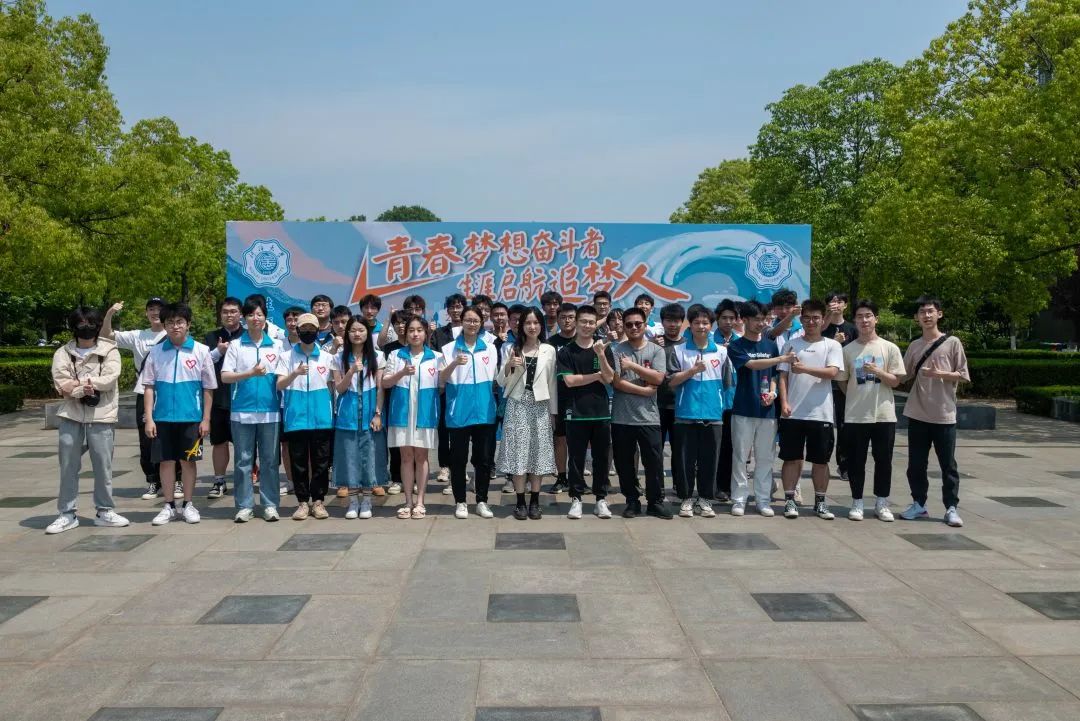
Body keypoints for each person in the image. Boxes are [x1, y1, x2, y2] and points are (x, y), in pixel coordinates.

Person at [46, 306, 128, 534]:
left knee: (103, 466)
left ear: (98, 325)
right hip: (71, 416)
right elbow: (61, 384)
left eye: (91, 323)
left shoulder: (109, 349)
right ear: (73, 327)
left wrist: (77, 384)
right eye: (81, 324)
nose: (86, 328)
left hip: (102, 416)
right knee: (68, 466)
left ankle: (105, 510)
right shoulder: (63, 353)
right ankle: (67, 513)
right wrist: (85, 388)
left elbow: (109, 379)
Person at [142, 302, 217, 525]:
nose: (175, 326)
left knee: (188, 462)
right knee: (165, 462)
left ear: (188, 324)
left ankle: (188, 504)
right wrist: (149, 418)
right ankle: (168, 505)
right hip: (162, 418)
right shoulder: (156, 352)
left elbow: (208, 388)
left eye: (180, 322)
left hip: (190, 418)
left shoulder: (201, 351)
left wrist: (206, 419)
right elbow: (148, 386)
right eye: (170, 322)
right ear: (164, 325)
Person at [900, 295, 970, 527]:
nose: (926, 315)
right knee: (916, 465)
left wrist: (940, 374)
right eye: (922, 312)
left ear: (939, 314)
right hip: (917, 413)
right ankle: (918, 504)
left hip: (944, 415)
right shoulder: (914, 346)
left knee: (948, 465)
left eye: (930, 311)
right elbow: (903, 375)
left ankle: (951, 508)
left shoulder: (952, 343)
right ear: (916, 317)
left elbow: (963, 375)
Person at [835, 300, 905, 522]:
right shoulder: (847, 350)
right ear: (854, 320)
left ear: (876, 319)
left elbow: (895, 381)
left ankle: (881, 502)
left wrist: (877, 371)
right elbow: (842, 382)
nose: (864, 320)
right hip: (856, 415)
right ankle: (857, 502)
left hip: (884, 414)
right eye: (860, 316)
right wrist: (856, 397)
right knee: (856, 461)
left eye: (868, 316)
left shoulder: (889, 348)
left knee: (883, 460)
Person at [777, 299, 844, 520]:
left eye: (816, 318)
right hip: (793, 412)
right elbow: (783, 376)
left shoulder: (832, 345)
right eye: (807, 318)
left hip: (820, 413)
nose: (811, 322)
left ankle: (820, 502)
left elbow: (832, 372)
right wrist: (784, 402)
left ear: (823, 320)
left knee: (821, 460)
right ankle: (789, 500)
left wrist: (804, 368)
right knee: (791, 458)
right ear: (801, 319)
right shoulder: (791, 344)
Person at [667, 305, 733, 518]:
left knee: (709, 461)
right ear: (690, 325)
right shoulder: (679, 351)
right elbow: (671, 382)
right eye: (696, 322)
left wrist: (719, 405)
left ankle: (705, 499)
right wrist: (693, 371)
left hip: (713, 415)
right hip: (686, 413)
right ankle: (686, 498)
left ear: (711, 325)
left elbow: (727, 383)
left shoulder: (722, 352)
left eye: (705, 323)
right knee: (684, 460)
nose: (701, 326)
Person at [220, 300, 282, 522]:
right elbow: (225, 376)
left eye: (259, 314)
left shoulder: (277, 346)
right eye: (251, 315)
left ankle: (270, 504)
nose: (255, 318)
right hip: (242, 412)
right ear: (244, 319)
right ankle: (244, 505)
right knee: (243, 461)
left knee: (269, 461)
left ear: (265, 318)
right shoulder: (236, 345)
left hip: (270, 411)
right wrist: (250, 373)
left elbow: (283, 377)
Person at [727, 300, 789, 517]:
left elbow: (774, 375)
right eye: (756, 319)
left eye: (764, 319)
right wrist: (781, 358)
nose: (761, 323)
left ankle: (763, 500)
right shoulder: (736, 346)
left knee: (765, 458)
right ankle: (739, 499)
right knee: (740, 456)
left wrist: (773, 393)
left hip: (767, 411)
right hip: (743, 409)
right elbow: (751, 365)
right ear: (744, 320)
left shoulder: (770, 346)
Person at [101, 297, 167, 499]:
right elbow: (106, 335)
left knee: (171, 435)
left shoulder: (174, 333)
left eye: (159, 309)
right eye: (151, 309)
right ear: (146, 313)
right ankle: (153, 480)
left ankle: (177, 479)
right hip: (144, 391)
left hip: (169, 392)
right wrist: (110, 313)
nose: (155, 313)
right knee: (147, 438)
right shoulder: (138, 335)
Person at [611, 307, 672, 519]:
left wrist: (631, 366)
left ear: (645, 325)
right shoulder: (617, 350)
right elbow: (617, 383)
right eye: (629, 324)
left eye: (638, 324)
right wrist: (645, 390)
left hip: (649, 417)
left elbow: (658, 378)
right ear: (624, 327)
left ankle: (655, 502)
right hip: (622, 417)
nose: (634, 328)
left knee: (654, 463)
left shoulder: (656, 350)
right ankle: (632, 501)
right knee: (625, 464)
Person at [497, 307, 558, 520]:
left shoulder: (549, 350)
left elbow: (552, 383)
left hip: (540, 405)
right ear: (521, 326)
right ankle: (520, 501)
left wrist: (553, 413)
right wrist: (508, 366)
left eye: (535, 323)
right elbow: (500, 382)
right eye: (528, 323)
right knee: (519, 453)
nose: (532, 327)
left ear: (541, 325)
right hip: (517, 404)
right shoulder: (512, 348)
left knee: (538, 453)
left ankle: (535, 501)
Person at [439, 306, 499, 519]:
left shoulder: (490, 348)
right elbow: (441, 379)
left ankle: (482, 500)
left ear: (481, 323)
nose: (472, 324)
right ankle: (460, 501)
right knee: (458, 460)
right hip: (458, 412)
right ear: (461, 322)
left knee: (483, 459)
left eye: (476, 320)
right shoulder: (449, 349)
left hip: (484, 411)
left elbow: (496, 378)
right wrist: (455, 363)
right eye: (468, 320)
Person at [557, 304, 616, 519]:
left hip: (601, 412)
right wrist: (595, 376)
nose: (587, 325)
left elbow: (609, 378)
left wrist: (601, 356)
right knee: (576, 458)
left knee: (601, 458)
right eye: (583, 321)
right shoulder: (566, 351)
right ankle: (576, 498)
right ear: (576, 323)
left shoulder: (603, 348)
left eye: (591, 322)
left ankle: (601, 499)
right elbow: (570, 381)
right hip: (576, 412)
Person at [276, 313, 335, 520]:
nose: (308, 332)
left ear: (318, 331)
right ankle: (302, 502)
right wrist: (295, 373)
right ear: (297, 331)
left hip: (321, 417)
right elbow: (279, 384)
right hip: (296, 417)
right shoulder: (286, 356)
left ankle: (318, 501)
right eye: (304, 329)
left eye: (311, 329)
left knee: (321, 462)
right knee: (298, 462)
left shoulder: (327, 358)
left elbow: (333, 387)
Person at [383, 315, 440, 519]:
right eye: (411, 330)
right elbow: (385, 383)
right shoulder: (395, 355)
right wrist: (401, 374)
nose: (415, 334)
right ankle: (408, 501)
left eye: (419, 330)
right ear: (405, 333)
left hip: (424, 414)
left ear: (426, 333)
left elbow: (442, 384)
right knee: (406, 457)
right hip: (402, 413)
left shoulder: (436, 357)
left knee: (421, 457)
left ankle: (421, 501)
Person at [333, 317, 385, 519]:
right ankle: (353, 501)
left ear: (367, 333)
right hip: (347, 413)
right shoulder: (338, 357)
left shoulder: (378, 356)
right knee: (349, 457)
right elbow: (339, 388)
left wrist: (378, 413)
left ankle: (367, 501)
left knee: (370, 457)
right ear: (347, 333)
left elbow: (380, 388)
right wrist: (351, 371)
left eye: (361, 330)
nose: (357, 334)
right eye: (353, 330)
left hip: (370, 412)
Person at [205, 297, 245, 499]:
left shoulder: (248, 336)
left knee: (244, 444)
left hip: (244, 399)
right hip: (219, 398)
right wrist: (218, 352)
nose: (229, 315)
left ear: (241, 314)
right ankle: (219, 481)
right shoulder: (211, 337)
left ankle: (244, 481)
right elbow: (202, 366)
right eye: (225, 311)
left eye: (233, 311)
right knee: (219, 442)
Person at [431, 293, 467, 488]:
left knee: (461, 430)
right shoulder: (439, 333)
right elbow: (436, 358)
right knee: (444, 429)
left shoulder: (470, 331)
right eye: (452, 307)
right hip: (445, 386)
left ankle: (460, 467)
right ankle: (444, 466)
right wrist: (441, 383)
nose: (455, 310)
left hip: (465, 387)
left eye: (459, 306)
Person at [823, 291, 857, 481]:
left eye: (840, 301)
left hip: (845, 383)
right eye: (832, 301)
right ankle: (822, 462)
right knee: (825, 425)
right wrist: (834, 343)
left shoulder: (852, 328)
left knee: (845, 425)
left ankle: (844, 465)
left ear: (845, 305)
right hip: (825, 383)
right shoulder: (822, 327)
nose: (836, 304)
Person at [546, 302, 577, 493]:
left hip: (581, 397)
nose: (567, 321)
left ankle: (577, 477)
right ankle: (562, 477)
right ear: (557, 320)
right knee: (560, 438)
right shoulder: (550, 343)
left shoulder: (584, 340)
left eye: (571, 317)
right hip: (558, 396)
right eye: (563, 317)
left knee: (579, 439)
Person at [656, 303, 686, 499]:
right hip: (657, 404)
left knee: (680, 449)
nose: (672, 324)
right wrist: (653, 346)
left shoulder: (688, 345)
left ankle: (679, 485)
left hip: (681, 405)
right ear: (662, 322)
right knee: (656, 449)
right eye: (668, 320)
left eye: (676, 320)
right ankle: (657, 486)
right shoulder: (654, 343)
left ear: (682, 322)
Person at [379, 310, 410, 496]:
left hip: (414, 399)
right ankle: (397, 478)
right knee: (396, 441)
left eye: (404, 322)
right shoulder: (389, 349)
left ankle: (413, 479)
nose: (400, 326)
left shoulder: (419, 346)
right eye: (396, 322)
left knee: (414, 441)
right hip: (394, 399)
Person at [713, 299, 741, 503]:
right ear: (717, 319)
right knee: (715, 447)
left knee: (732, 446)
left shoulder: (741, 341)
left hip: (736, 401)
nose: (728, 322)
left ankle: (727, 485)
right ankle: (715, 485)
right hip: (715, 402)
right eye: (724, 318)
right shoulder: (708, 340)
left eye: (732, 318)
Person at [276, 306, 305, 497]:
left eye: (297, 319)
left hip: (305, 400)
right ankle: (290, 480)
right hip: (283, 402)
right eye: (289, 320)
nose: (293, 323)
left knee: (306, 445)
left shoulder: (311, 344)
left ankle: (306, 480)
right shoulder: (278, 346)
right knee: (286, 444)